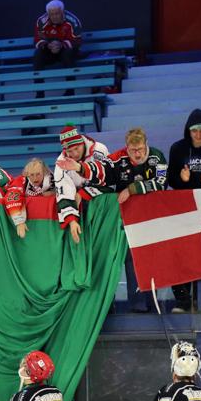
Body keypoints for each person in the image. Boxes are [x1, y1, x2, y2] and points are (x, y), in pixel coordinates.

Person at [66, 128, 167, 312]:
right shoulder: (118, 158)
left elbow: (161, 183)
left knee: (148, 256)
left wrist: (131, 189)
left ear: (146, 145)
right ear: (126, 148)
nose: (137, 154)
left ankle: (152, 302)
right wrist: (83, 185)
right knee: (127, 257)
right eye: (132, 150)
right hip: (124, 217)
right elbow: (102, 175)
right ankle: (132, 304)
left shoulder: (157, 157)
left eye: (140, 149)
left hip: (151, 217)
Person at [168, 109, 201, 312]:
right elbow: (171, 180)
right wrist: (187, 180)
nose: (198, 135)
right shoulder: (178, 148)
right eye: (194, 130)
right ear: (188, 131)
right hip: (185, 208)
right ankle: (183, 298)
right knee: (182, 252)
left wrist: (194, 180)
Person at [52, 124, 109, 244]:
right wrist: (72, 221)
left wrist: (83, 193)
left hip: (102, 201)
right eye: (69, 151)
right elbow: (64, 193)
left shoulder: (100, 150)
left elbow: (109, 179)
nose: (74, 154)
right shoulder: (61, 164)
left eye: (77, 148)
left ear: (82, 142)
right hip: (78, 204)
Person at [33, 0, 83, 82]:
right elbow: (37, 40)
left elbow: (77, 41)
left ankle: (70, 91)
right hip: (50, 49)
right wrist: (47, 45)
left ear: (62, 12)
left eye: (57, 14)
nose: (54, 17)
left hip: (67, 50)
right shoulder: (41, 21)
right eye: (51, 14)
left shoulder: (73, 21)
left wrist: (61, 45)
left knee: (68, 54)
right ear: (48, 14)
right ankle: (39, 92)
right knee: (38, 54)